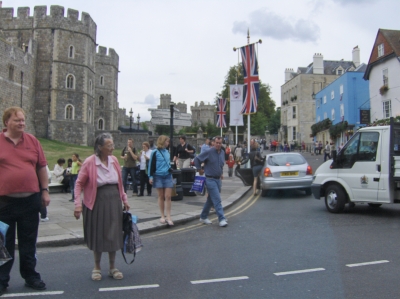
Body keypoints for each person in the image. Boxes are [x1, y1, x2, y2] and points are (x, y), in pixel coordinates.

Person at [0, 107, 50, 295]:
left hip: (30, 200)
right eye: (17, 120)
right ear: (7, 122)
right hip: (4, 202)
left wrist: (44, 191)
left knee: (28, 241)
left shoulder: (32, 141)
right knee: (4, 243)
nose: (21, 123)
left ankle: (30, 276)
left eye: (22, 120)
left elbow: (41, 168)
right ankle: (2, 279)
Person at [73, 133, 130, 281]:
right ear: (100, 147)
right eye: (109, 145)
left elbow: (120, 183)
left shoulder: (114, 160)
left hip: (113, 200)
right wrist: (78, 205)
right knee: (98, 234)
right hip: (96, 201)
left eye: (112, 144)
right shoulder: (90, 162)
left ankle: (112, 267)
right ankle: (97, 267)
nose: (112, 148)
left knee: (113, 234)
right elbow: (79, 184)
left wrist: (124, 199)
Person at [194, 136, 228, 227]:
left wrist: (221, 173)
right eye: (216, 143)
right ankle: (221, 218)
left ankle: (203, 216)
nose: (218, 144)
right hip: (210, 179)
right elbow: (197, 159)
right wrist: (199, 169)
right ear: (214, 143)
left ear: (222, 143)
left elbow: (220, 165)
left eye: (220, 143)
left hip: (218, 179)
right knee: (217, 199)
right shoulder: (209, 152)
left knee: (211, 200)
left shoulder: (222, 153)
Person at [148, 135, 174, 226]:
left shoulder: (167, 152)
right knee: (161, 196)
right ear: (163, 141)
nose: (168, 143)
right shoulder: (154, 152)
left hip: (167, 175)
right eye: (167, 141)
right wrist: (150, 177)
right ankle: (162, 216)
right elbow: (151, 165)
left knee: (168, 196)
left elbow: (168, 164)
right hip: (158, 176)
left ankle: (169, 216)